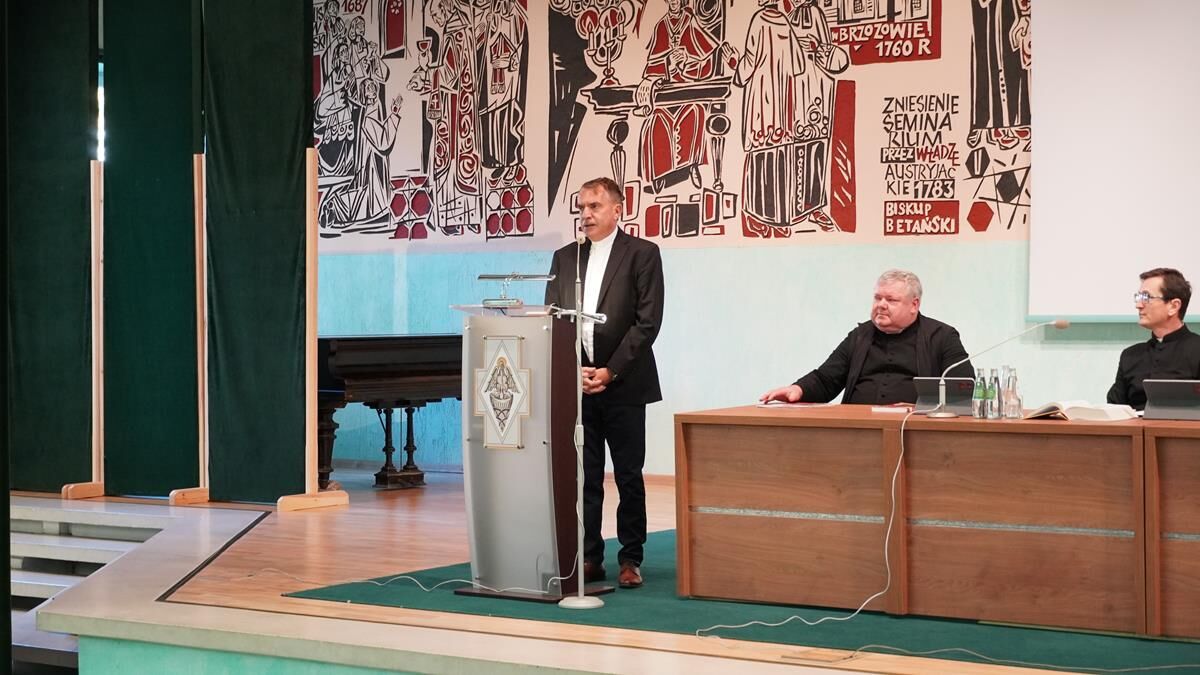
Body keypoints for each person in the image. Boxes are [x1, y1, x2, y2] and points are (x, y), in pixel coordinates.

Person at [545, 177, 665, 589]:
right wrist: (571, 368)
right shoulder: (565, 258)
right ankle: (589, 556)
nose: (586, 214)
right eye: (581, 207)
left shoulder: (643, 254)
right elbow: (553, 319)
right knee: (586, 476)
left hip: (625, 383)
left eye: (594, 206)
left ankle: (631, 558)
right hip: (579, 385)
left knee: (628, 475)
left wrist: (610, 370)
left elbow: (647, 322)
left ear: (617, 209)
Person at [760, 270, 972, 405]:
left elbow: (963, 390)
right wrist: (798, 389)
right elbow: (826, 380)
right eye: (877, 298)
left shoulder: (942, 337)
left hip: (917, 433)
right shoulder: (859, 336)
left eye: (891, 300)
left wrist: (920, 409)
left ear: (914, 305)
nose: (881, 305)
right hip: (857, 431)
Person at [1107, 268, 1200, 410]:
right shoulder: (1130, 355)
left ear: (1173, 306)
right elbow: (1114, 408)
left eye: (1146, 297)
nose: (1138, 305)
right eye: (1138, 297)